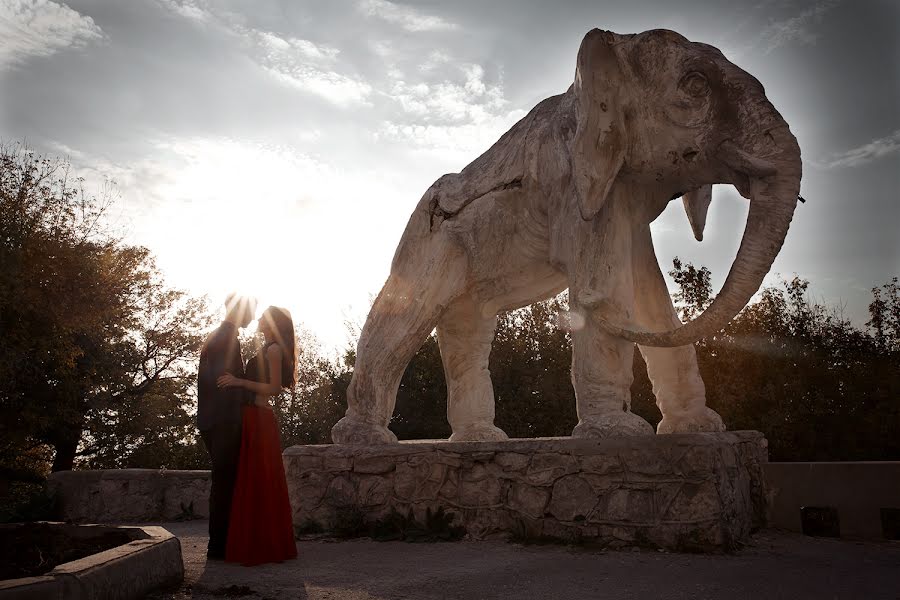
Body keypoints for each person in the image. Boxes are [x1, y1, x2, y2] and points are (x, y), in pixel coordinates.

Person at [217, 305, 299, 566]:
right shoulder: (267, 348)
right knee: (254, 480)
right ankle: (258, 542)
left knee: (259, 481)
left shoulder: (273, 350)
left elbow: (274, 388)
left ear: (272, 323)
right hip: (253, 418)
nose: (259, 318)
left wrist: (238, 381)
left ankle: (263, 546)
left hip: (260, 419)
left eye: (264, 316)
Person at [197, 293, 257, 560]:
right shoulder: (227, 339)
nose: (254, 316)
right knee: (224, 483)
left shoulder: (217, 336)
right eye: (252, 310)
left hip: (211, 419)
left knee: (223, 481)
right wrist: (250, 386)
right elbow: (223, 382)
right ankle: (218, 546)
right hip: (224, 421)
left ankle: (221, 543)